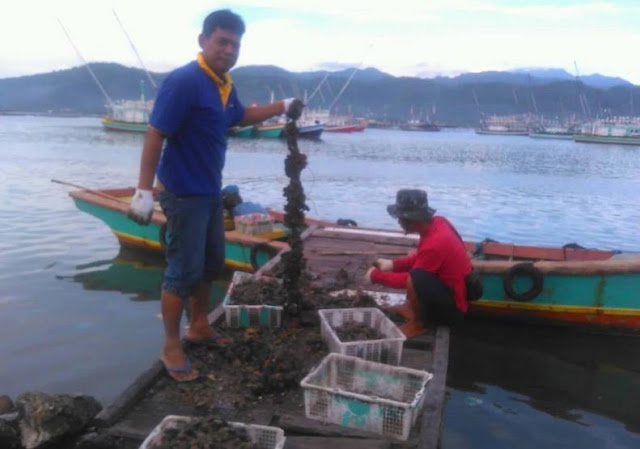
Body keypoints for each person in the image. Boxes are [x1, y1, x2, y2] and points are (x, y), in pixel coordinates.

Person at [127, 9, 304, 382]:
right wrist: (144, 189)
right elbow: (156, 133)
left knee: (210, 265)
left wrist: (282, 107)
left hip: (210, 193)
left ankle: (199, 326)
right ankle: (171, 344)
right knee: (182, 272)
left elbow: (239, 117)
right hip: (183, 194)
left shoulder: (223, 84)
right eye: (222, 41)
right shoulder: (185, 81)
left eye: (235, 44)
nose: (229, 50)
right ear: (203, 41)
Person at [364, 189, 472, 337]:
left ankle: (419, 324)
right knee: (416, 268)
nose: (399, 221)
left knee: (415, 278)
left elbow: (410, 280)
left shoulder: (436, 243)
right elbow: (422, 257)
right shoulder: (438, 223)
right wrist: (393, 265)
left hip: (453, 310)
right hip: (449, 291)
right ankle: (411, 308)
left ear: (411, 220)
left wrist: (376, 276)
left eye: (400, 217)